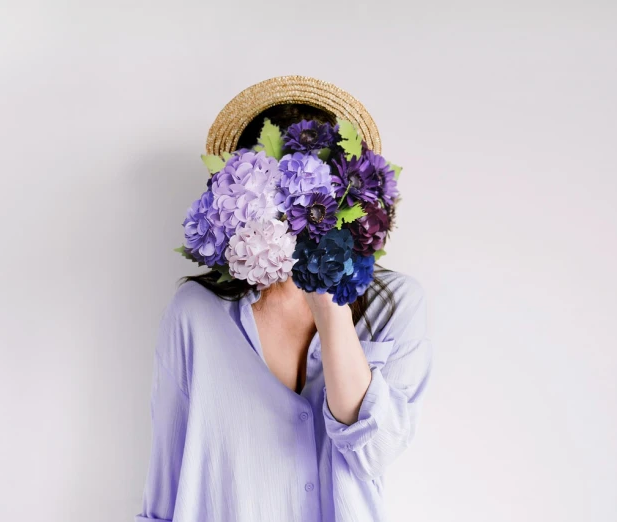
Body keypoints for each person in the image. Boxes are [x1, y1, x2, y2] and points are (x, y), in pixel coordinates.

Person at [135, 81, 434, 522]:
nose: (295, 212)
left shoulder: (397, 305)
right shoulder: (195, 314)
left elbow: (374, 454)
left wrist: (329, 293)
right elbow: (166, 480)